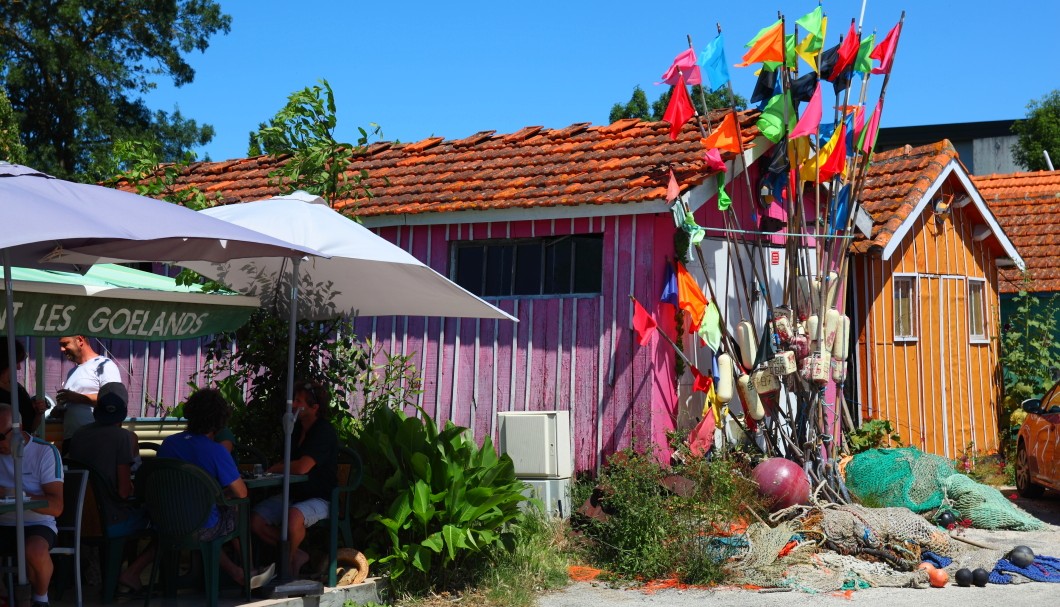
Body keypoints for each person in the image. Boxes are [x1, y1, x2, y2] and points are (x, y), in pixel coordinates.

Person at [118, 389, 273, 592]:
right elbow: (241, 493)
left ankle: (132, 572)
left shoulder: (169, 443)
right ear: (219, 421)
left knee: (186, 523)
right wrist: (220, 493)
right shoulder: (216, 451)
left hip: (165, 521)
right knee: (236, 515)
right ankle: (248, 571)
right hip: (200, 526)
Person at [250, 380, 337, 577]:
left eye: (298, 401)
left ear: (314, 407)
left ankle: (285, 566)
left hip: (320, 497)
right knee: (255, 520)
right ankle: (297, 555)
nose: (293, 405)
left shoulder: (323, 431)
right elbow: (288, 461)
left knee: (293, 517)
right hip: (294, 494)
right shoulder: (295, 429)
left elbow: (302, 467)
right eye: (294, 400)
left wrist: (276, 468)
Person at [0, 403, 64, 607]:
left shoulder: (44, 452)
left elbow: (56, 506)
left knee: (34, 550)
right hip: (3, 522)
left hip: (37, 523)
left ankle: (40, 599)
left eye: (0, 437)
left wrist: (16, 495)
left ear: (17, 431)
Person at [66, 382, 146, 536]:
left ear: (97, 410)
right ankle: (127, 561)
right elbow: (124, 493)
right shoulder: (123, 437)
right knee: (158, 524)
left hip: (78, 520)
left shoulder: (78, 434)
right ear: (124, 410)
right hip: (111, 521)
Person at [56, 335, 122, 447]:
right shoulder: (72, 372)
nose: (61, 349)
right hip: (72, 439)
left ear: (80, 340)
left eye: (65, 344)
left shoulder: (104, 365)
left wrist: (77, 398)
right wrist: (60, 410)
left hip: (96, 439)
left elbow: (114, 400)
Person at [0, 339, 48, 434]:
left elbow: (30, 428)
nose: (19, 367)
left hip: (22, 446)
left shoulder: (18, 389)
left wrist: (38, 414)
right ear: (5, 361)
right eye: (16, 362)